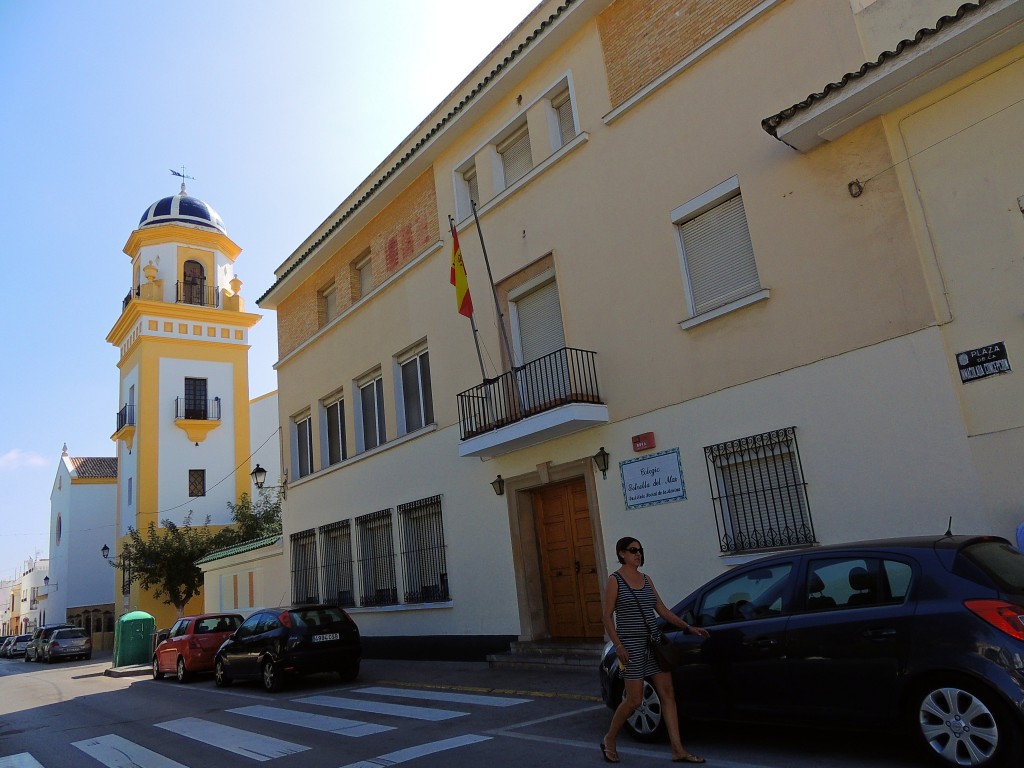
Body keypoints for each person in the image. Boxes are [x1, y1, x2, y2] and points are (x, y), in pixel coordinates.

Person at [601, 536, 711, 764]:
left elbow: (661, 609)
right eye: (633, 550)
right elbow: (606, 616)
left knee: (668, 694)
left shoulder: (646, 579)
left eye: (640, 550)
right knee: (634, 700)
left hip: (654, 643)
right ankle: (609, 739)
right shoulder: (615, 581)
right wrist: (618, 645)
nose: (638, 554)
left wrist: (688, 627)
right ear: (621, 553)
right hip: (631, 646)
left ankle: (677, 749)